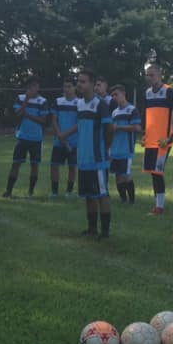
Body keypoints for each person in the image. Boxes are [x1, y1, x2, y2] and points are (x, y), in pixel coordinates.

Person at [75, 70, 114, 238]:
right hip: (83, 158)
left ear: (92, 84)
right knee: (89, 195)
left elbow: (110, 129)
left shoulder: (100, 104)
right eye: (78, 81)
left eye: (83, 81)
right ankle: (92, 228)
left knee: (102, 194)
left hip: (97, 159)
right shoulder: (79, 104)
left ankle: (105, 232)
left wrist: (106, 148)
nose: (79, 84)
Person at [142, 62, 173, 215]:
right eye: (148, 75)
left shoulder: (168, 91)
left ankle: (160, 207)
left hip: (164, 140)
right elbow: (148, 116)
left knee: (158, 172)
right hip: (151, 140)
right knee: (153, 172)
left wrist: (172, 137)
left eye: (152, 75)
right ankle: (158, 203)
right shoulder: (147, 93)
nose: (150, 78)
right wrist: (145, 134)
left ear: (160, 75)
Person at [3, 77, 49, 198]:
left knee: (34, 165)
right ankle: (8, 191)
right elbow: (17, 114)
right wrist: (26, 101)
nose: (33, 88)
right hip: (22, 137)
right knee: (16, 164)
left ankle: (30, 192)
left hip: (36, 138)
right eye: (31, 86)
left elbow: (43, 120)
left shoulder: (43, 101)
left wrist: (28, 115)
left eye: (35, 86)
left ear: (38, 87)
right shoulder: (20, 98)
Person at [109, 84, 141, 204]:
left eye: (116, 94)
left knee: (126, 175)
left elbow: (137, 128)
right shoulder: (114, 112)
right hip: (115, 149)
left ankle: (132, 200)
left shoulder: (132, 110)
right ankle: (123, 200)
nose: (114, 97)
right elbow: (112, 130)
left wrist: (119, 128)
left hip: (126, 148)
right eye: (112, 95)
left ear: (123, 94)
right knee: (118, 176)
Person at [50, 77, 79, 198]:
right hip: (59, 141)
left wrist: (64, 135)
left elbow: (79, 123)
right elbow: (54, 120)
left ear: (75, 88)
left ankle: (69, 192)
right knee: (54, 166)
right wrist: (60, 136)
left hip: (74, 142)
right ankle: (54, 192)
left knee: (72, 167)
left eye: (69, 86)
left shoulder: (80, 103)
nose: (66, 89)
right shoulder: (58, 101)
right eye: (65, 87)